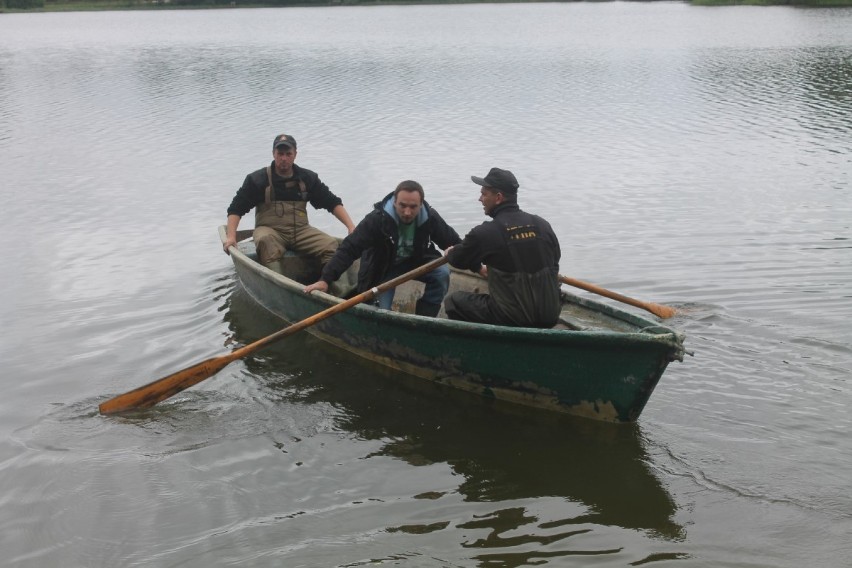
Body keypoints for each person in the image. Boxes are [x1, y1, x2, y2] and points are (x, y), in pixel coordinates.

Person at [303, 180, 461, 317]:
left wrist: (476, 266)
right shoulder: (377, 220)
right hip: (384, 268)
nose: (407, 212)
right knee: (382, 312)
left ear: (421, 205)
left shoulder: (430, 217)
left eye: (413, 207)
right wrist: (325, 280)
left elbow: (454, 243)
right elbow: (349, 248)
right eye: (402, 205)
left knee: (442, 273)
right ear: (394, 202)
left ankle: (425, 321)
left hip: (416, 262)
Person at [444, 167, 562, 328]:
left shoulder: (484, 233)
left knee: (453, 301)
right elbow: (555, 260)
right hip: (550, 315)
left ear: (498, 197)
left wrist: (450, 252)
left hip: (511, 318)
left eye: (484, 194)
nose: (480, 199)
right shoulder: (542, 225)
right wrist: (480, 268)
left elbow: (458, 259)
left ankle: (480, 347)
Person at [223, 134, 356, 273]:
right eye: (280, 154)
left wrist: (351, 227)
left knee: (331, 246)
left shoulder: (307, 178)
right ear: (273, 153)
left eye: (288, 154)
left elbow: (332, 202)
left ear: (295, 154)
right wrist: (231, 237)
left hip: (301, 231)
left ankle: (332, 288)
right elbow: (235, 209)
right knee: (265, 240)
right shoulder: (257, 179)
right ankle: (278, 282)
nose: (284, 158)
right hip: (270, 230)